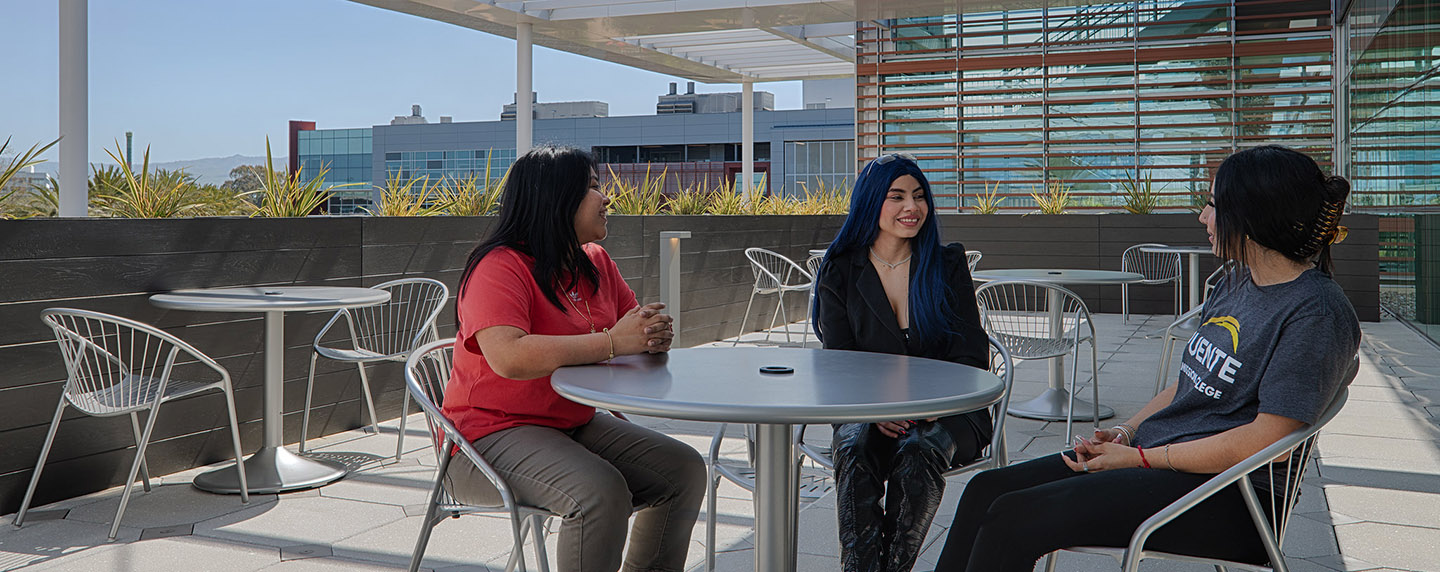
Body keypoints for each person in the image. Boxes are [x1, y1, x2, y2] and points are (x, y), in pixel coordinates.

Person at [930, 145, 1361, 571]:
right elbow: (1192, 383)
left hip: (1232, 497)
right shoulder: (1238, 282)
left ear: (1253, 217)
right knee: (986, 489)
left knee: (1014, 519)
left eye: (1212, 205)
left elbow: (1268, 444)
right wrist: (1126, 431)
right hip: (1164, 461)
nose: (1203, 217)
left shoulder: (1315, 313)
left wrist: (1138, 459)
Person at [441, 145, 705, 572]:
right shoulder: (500, 266)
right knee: (600, 492)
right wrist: (615, 342)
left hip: (569, 421)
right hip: (485, 436)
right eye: (594, 188)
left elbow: (629, 327)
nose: (607, 199)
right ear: (555, 198)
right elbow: (509, 356)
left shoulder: (595, 261)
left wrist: (650, 335)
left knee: (684, 469)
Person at [813, 153, 993, 572]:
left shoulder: (947, 264)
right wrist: (877, 408)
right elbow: (839, 363)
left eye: (919, 196)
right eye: (896, 196)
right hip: (865, 407)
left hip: (948, 409)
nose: (912, 207)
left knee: (918, 448)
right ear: (871, 202)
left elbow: (971, 354)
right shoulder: (840, 270)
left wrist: (925, 406)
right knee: (856, 447)